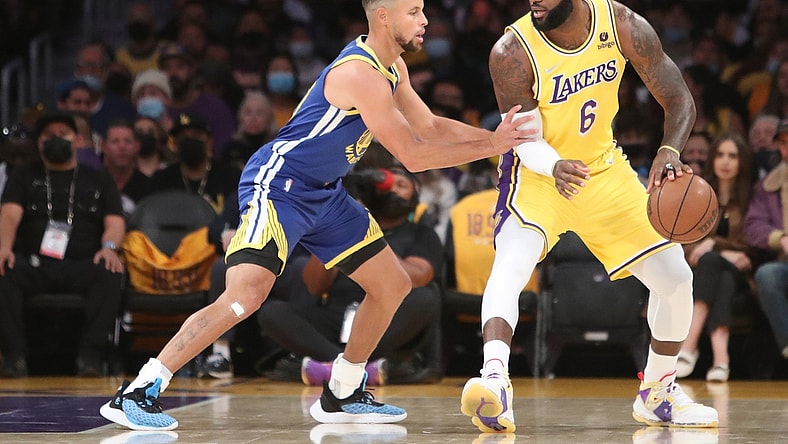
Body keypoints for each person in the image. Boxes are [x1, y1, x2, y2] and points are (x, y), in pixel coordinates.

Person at [99, 0, 532, 431]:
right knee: (244, 295)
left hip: (324, 192)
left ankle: (343, 389)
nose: (425, 20)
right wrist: (492, 147)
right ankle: (140, 389)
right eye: (414, 11)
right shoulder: (360, 73)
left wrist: (496, 139)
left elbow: (430, 126)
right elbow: (414, 155)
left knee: (392, 285)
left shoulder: (393, 66)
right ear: (384, 16)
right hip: (279, 185)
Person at [459, 0, 719, 433]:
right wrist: (554, 165)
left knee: (676, 276)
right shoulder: (512, 50)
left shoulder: (621, 24)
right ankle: (495, 381)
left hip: (603, 171)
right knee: (511, 262)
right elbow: (523, 138)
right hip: (538, 175)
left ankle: (657, 393)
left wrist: (669, 150)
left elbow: (678, 98)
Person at [258, 166, 443, 386]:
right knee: (272, 312)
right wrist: (340, 222)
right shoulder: (349, 226)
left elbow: (418, 277)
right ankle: (353, 368)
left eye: (401, 185)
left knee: (427, 297)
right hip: (337, 316)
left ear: (415, 196)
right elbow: (315, 286)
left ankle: (332, 367)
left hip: (385, 319)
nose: (392, 190)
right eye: (386, 186)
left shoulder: (421, 233)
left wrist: (370, 234)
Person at [0, 111, 125, 377]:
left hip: (83, 264)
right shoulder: (23, 175)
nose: (56, 139)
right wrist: (4, 248)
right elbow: (9, 216)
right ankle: (14, 357)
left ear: (77, 140)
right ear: (39, 142)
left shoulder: (99, 178)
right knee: (3, 269)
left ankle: (90, 357)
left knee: (110, 271)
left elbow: (115, 222)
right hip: (34, 264)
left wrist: (109, 248)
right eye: (48, 135)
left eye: (63, 134)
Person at [675, 133, 756, 383]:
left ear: (742, 161)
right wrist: (721, 251)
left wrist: (713, 244)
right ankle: (721, 360)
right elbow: (685, 241)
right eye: (720, 155)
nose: (726, 161)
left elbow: (752, 246)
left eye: (732, 156)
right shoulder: (699, 194)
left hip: (742, 273)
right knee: (718, 274)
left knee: (714, 263)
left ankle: (689, 345)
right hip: (705, 271)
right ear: (712, 159)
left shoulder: (751, 197)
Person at [744, 119, 788, 361]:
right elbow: (753, 226)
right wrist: (779, 239)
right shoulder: (767, 185)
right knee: (767, 275)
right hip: (784, 262)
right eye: (784, 143)